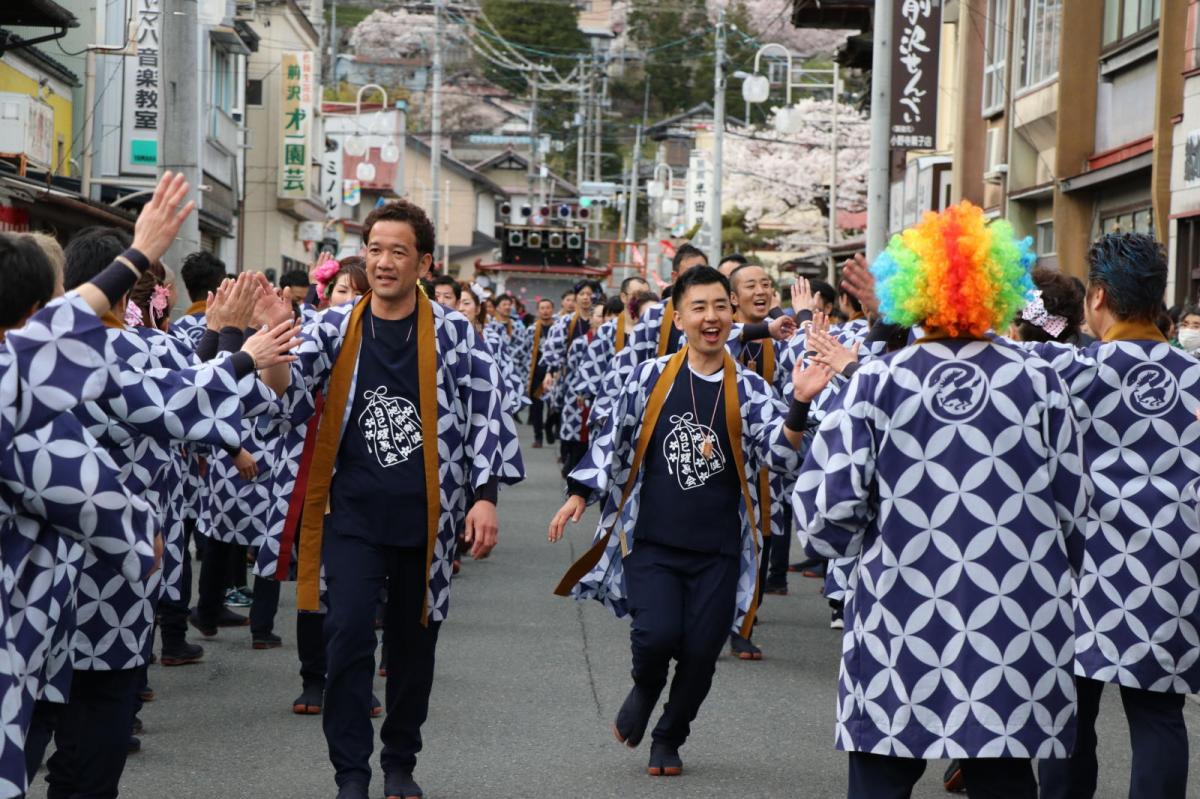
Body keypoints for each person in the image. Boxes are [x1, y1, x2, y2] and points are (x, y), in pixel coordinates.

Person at [795, 203, 1088, 799]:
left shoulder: (878, 380)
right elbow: (1075, 508)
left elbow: (827, 516)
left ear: (911, 288)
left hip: (898, 609)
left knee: (882, 767)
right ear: (997, 285)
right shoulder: (1041, 381)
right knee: (1003, 770)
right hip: (1014, 613)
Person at [282, 200, 524, 799]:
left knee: (414, 648)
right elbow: (286, 395)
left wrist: (485, 498)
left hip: (429, 518)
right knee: (347, 637)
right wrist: (270, 347)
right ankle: (352, 774)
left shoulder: (454, 331)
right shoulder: (333, 327)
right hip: (353, 514)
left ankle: (400, 763)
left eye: (398, 252)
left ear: (423, 261)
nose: (384, 262)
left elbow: (485, 416)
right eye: (375, 250)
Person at [549, 266, 830, 778]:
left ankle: (669, 735)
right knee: (656, 637)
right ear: (679, 318)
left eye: (721, 306)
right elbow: (611, 438)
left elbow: (780, 457)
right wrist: (578, 493)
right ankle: (646, 684)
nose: (712, 317)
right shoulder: (648, 377)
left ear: (732, 313)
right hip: (653, 540)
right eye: (699, 307)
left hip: (720, 547)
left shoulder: (749, 387)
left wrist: (798, 406)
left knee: (701, 653)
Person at [1017, 233, 1200, 799]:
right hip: (1173, 567)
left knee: (1070, 717)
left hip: (1081, 565)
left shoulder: (1069, 370)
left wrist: (1016, 289)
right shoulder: (1195, 378)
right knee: (1159, 715)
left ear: (1097, 296)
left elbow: (1041, 333)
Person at [524, 298, 556, 448]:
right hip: (537, 374)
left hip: (554, 373)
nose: (545, 311)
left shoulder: (558, 327)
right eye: (542, 308)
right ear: (538, 311)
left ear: (553, 309)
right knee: (537, 407)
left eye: (548, 308)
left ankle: (550, 427)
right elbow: (525, 352)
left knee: (553, 406)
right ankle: (538, 437)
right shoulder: (531, 330)